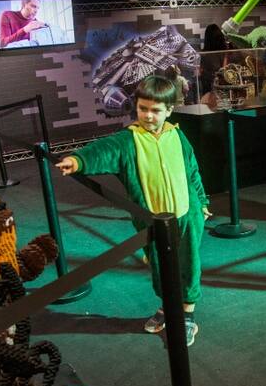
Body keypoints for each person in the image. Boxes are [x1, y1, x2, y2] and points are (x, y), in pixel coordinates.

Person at [56, 76, 210, 346]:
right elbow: (103, 150)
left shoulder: (178, 135)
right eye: (143, 108)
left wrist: (202, 201)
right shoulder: (128, 140)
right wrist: (77, 160)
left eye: (155, 110)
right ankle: (167, 306)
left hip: (188, 215)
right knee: (160, 265)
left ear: (169, 110)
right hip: (152, 221)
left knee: (188, 263)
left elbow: (192, 171)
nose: (148, 115)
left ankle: (187, 313)